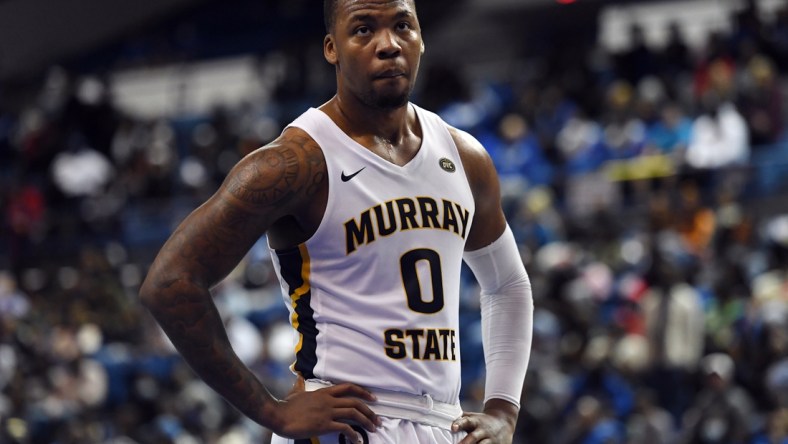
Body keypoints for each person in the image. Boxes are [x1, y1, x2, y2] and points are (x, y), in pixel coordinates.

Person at [139, 1, 534, 443]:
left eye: (402, 25)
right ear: (332, 48)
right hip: (343, 425)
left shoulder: (465, 157)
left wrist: (503, 408)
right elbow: (170, 282)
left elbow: (507, 286)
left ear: (421, 37)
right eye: (364, 30)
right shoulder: (295, 162)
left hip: (442, 422)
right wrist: (271, 411)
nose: (388, 45)